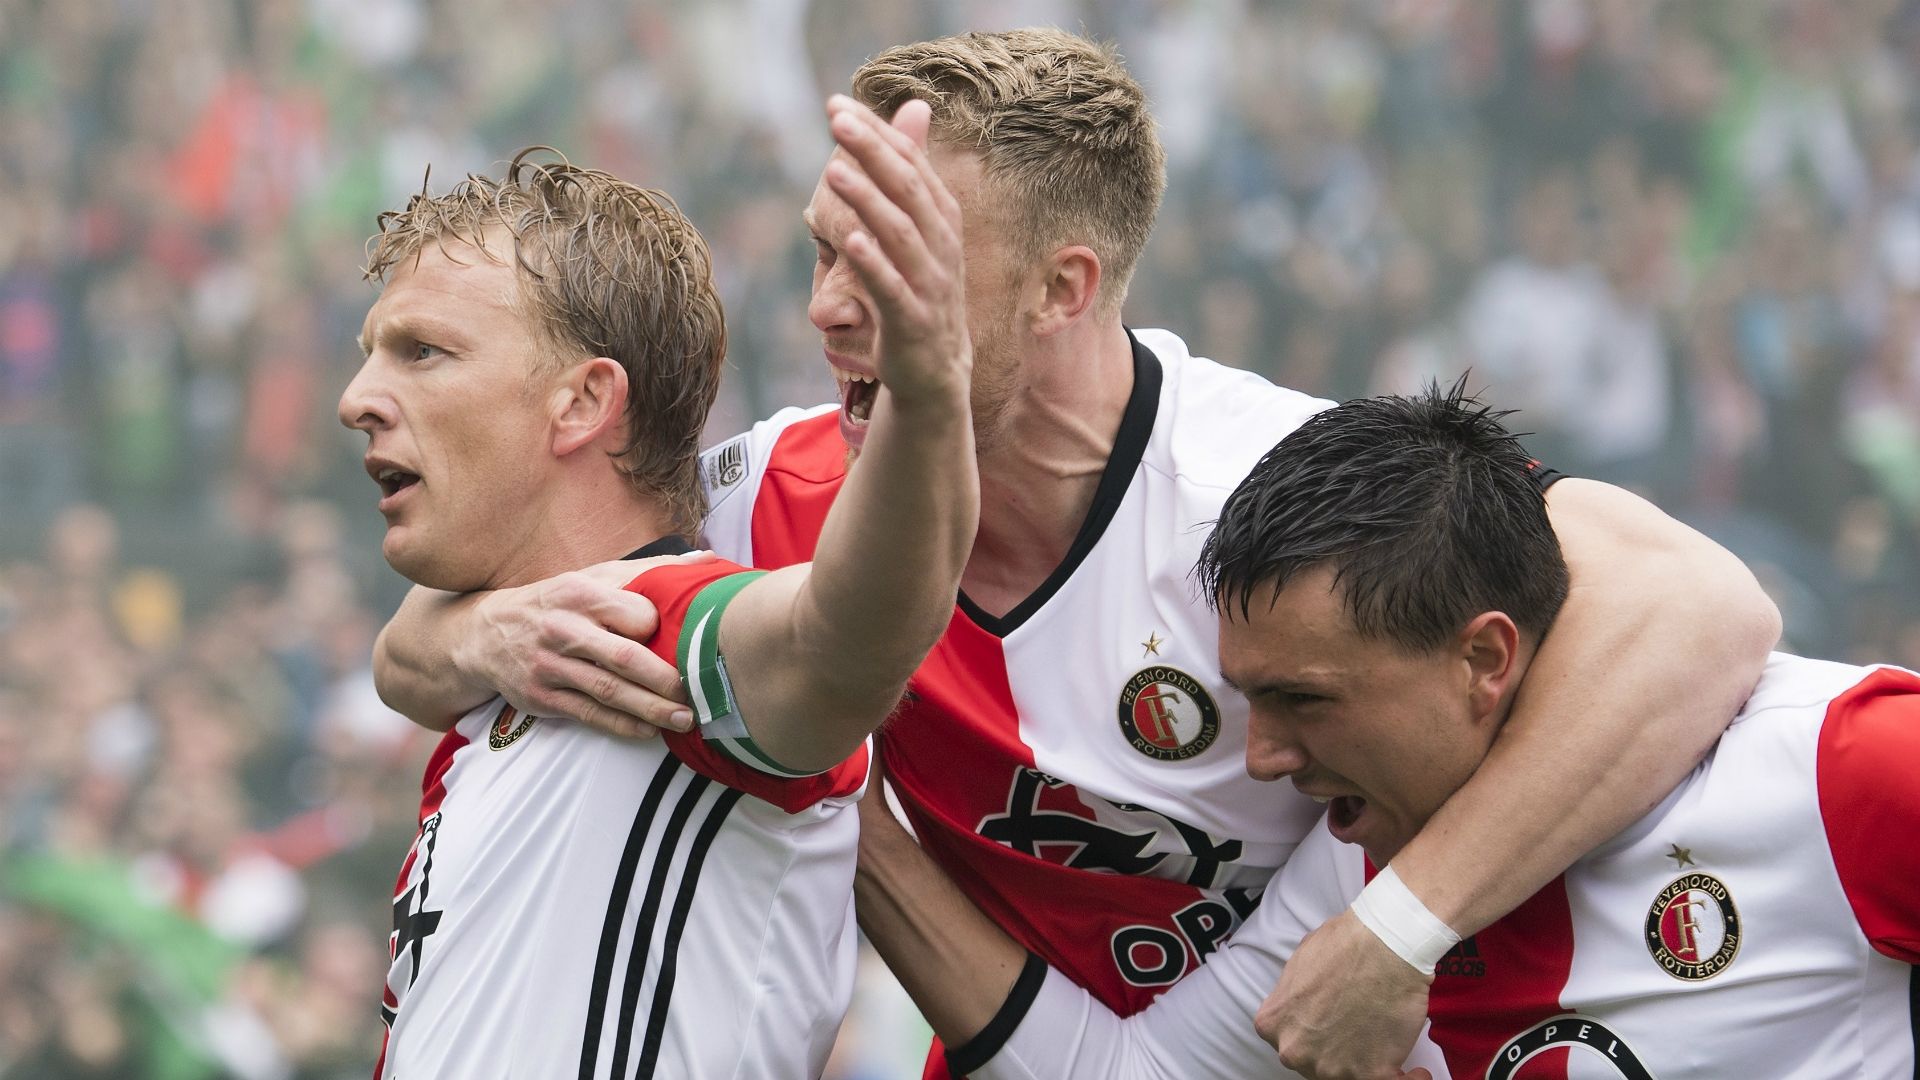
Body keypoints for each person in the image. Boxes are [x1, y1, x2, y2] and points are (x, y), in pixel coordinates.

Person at [370, 29, 1781, 1079]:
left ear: (1065, 289)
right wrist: (467, 638)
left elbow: (1700, 606)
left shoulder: (1264, 488)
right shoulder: (791, 494)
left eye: (898, 260)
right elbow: (491, 605)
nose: (833, 310)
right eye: (825, 253)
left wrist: (1404, 924)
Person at [852, 383, 1920, 1079]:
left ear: (1485, 659)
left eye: (1305, 700)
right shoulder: (1352, 890)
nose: (1262, 755)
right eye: (1247, 700)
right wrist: (844, 809)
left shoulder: (1835, 771)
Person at [341, 99, 976, 1080]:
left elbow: (840, 642)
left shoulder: (659, 631)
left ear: (584, 402)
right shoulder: (488, 702)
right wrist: (467, 642)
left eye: (423, 352)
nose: (359, 400)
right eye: (373, 354)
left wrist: (926, 390)